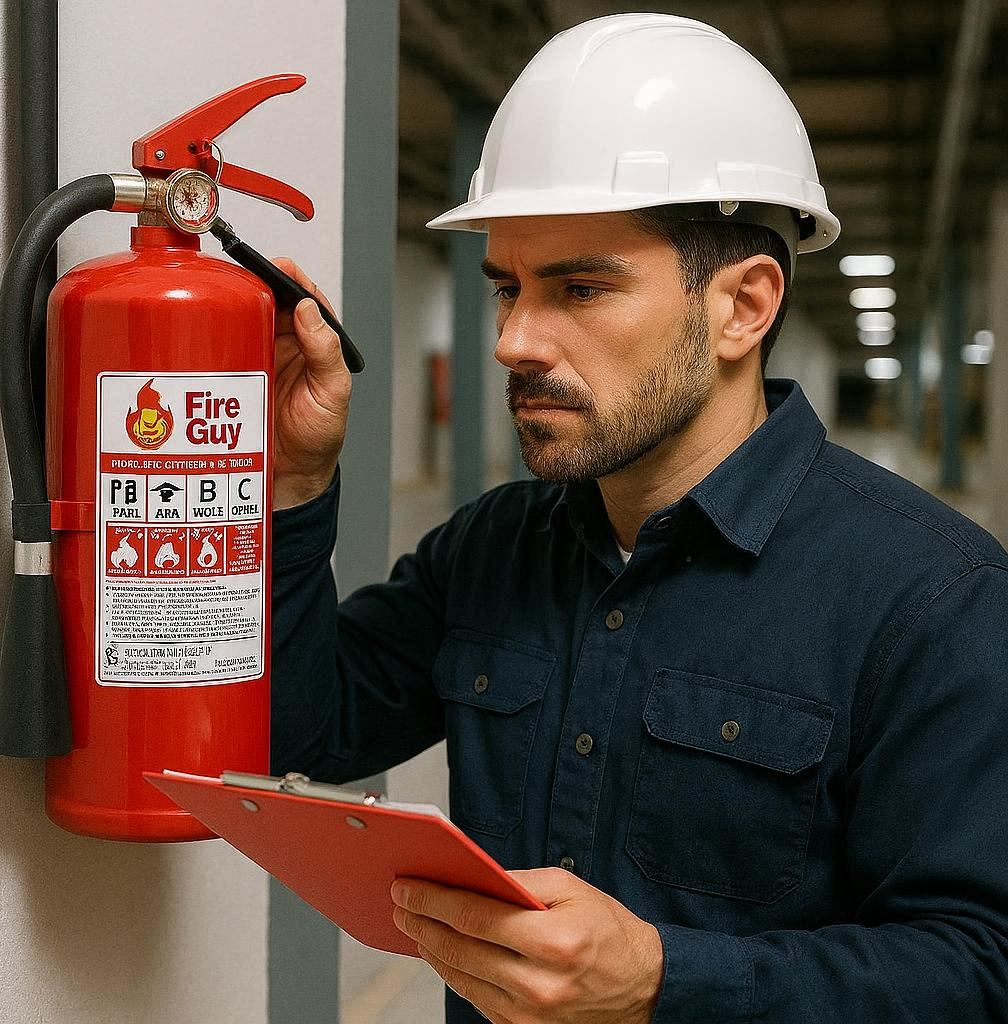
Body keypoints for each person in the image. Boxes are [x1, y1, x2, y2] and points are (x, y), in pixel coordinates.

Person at [270, 14, 1008, 1023]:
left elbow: (976, 971)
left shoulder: (932, 596)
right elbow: (300, 722)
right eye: (507, 289)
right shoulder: (490, 549)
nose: (514, 341)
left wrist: (665, 978)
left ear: (743, 307)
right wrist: (289, 487)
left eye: (580, 287)